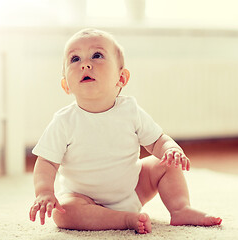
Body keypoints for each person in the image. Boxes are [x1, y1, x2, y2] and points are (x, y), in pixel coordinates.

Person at [29, 28, 222, 234]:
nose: (85, 63)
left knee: (164, 162)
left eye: (97, 55)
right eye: (75, 58)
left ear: (121, 78)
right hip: (84, 198)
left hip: (133, 190)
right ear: (66, 85)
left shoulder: (130, 110)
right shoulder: (64, 121)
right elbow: (47, 162)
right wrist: (44, 192)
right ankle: (124, 219)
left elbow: (157, 141)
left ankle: (180, 209)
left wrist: (170, 149)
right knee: (63, 212)